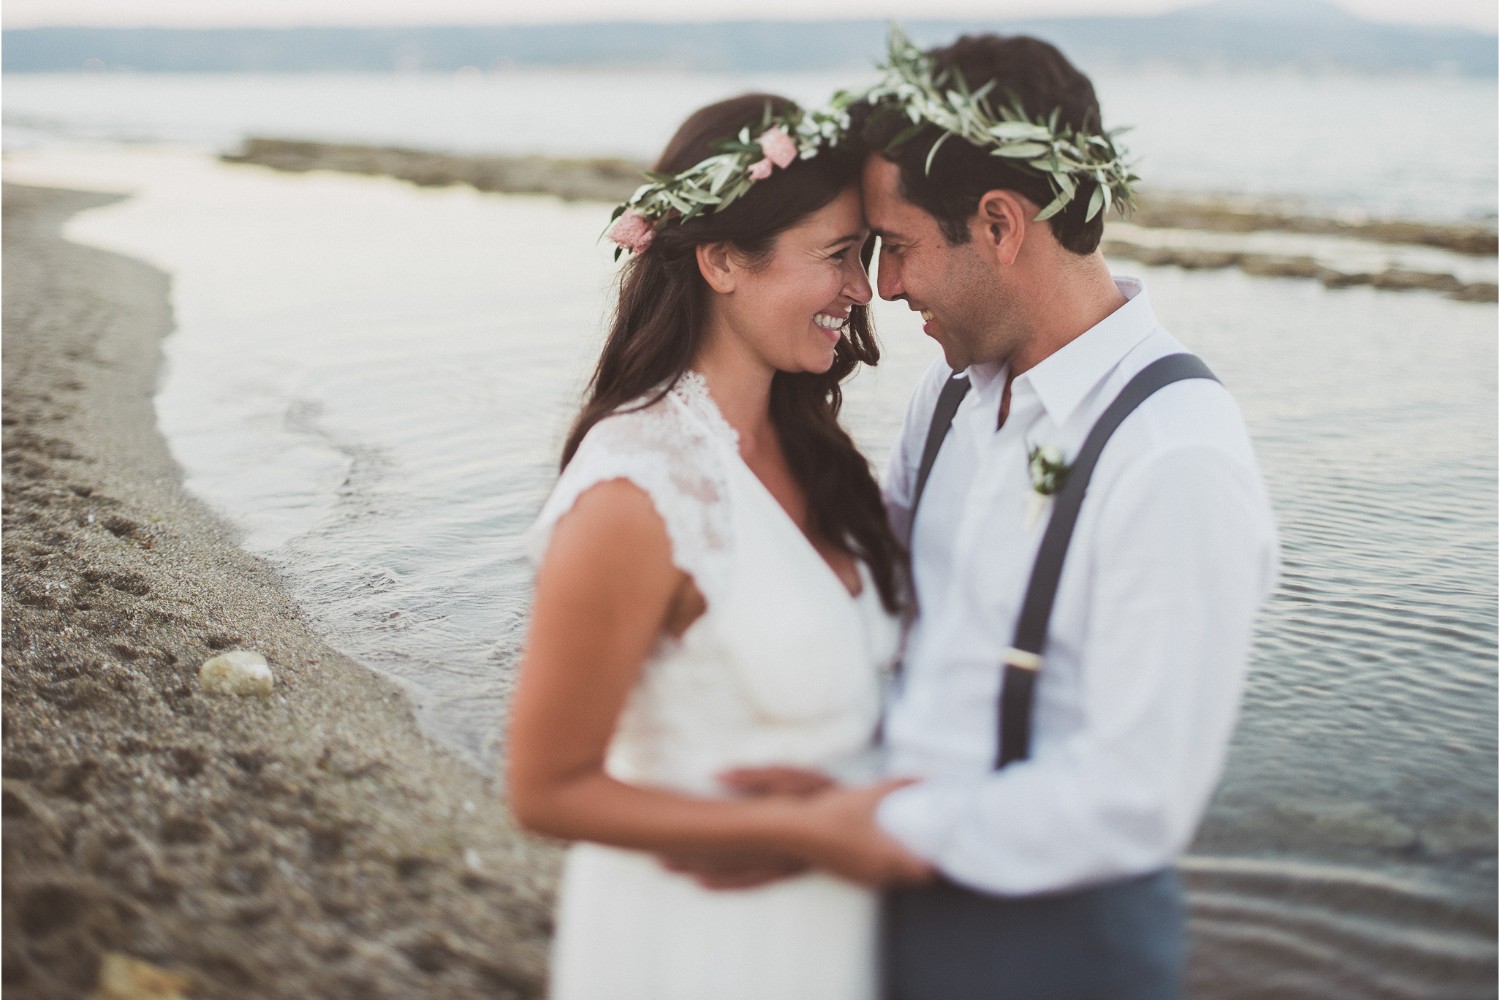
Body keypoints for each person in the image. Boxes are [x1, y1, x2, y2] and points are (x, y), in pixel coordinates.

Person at [715, 30, 1280, 998]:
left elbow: (1136, 798)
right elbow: (885, 612)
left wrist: (875, 828)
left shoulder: (1174, 453)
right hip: (884, 888)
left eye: (897, 249)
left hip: (1056, 942)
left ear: (1001, 225)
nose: (883, 289)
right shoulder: (951, 399)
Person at [505, 93, 929, 1000]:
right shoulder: (635, 490)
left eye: (867, 255)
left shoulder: (817, 455)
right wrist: (806, 833)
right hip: (694, 947)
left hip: (825, 939)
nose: (864, 289)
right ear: (725, 258)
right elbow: (545, 788)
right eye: (840, 255)